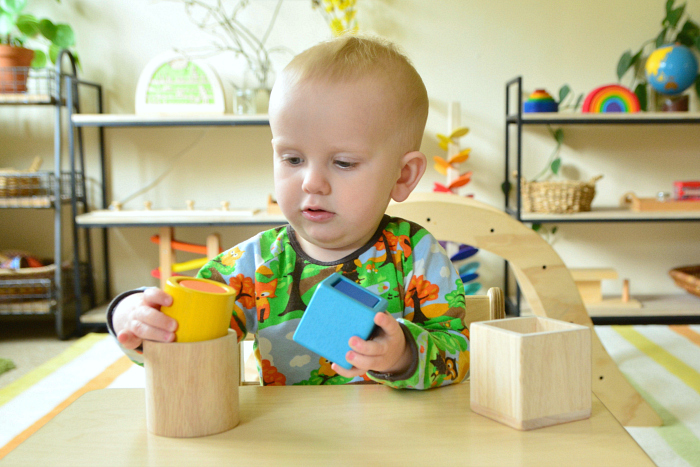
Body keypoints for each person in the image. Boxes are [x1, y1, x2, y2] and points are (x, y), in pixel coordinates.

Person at [108, 34, 470, 389]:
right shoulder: (254, 264)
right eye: (293, 159)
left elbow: (460, 354)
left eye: (343, 162)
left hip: (394, 429)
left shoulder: (417, 255)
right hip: (283, 429)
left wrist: (403, 355)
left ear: (402, 175)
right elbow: (185, 340)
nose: (312, 182)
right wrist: (133, 316)